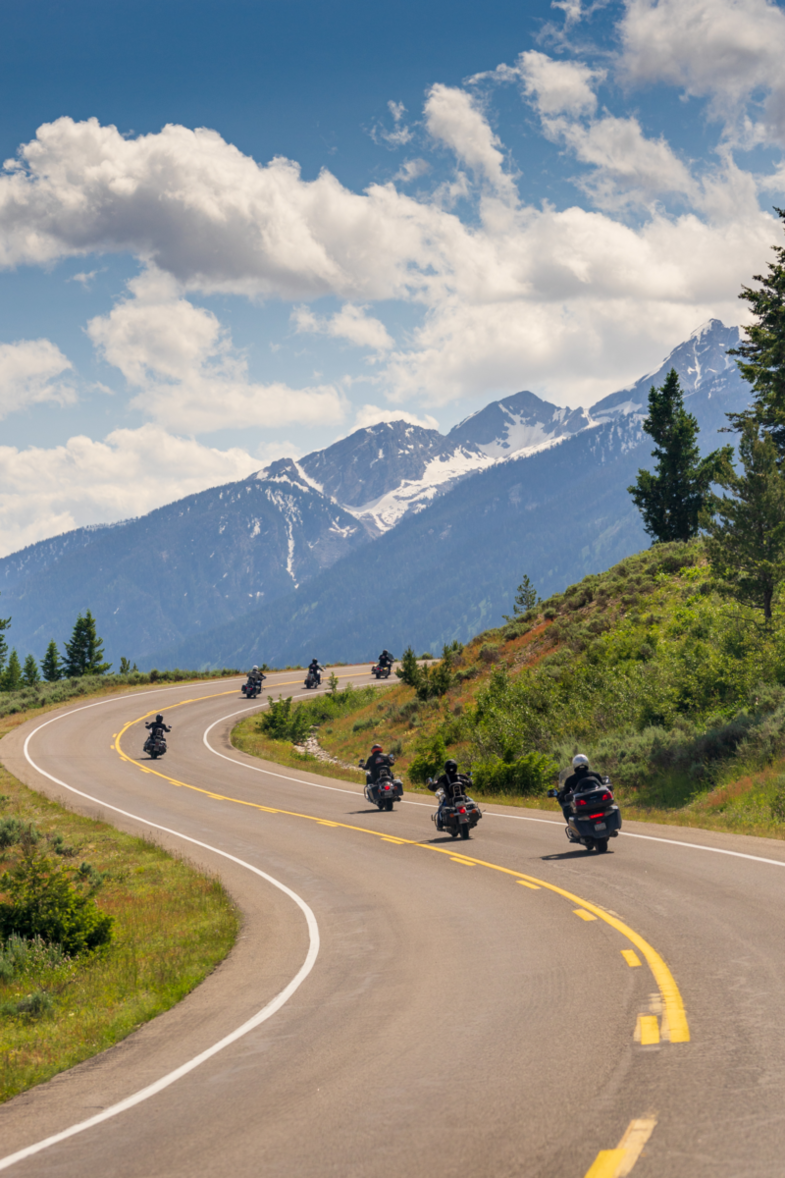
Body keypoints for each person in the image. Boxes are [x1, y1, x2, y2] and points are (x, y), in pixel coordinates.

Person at [556, 754, 604, 821]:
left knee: (567, 809)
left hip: (582, 805)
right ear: (587, 763)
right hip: (598, 801)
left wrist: (561, 796)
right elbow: (603, 786)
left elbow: (565, 793)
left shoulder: (570, 779)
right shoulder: (595, 775)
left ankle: (571, 825)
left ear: (574, 765)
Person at [428, 759, 467, 831]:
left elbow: (434, 787)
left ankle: (440, 826)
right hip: (464, 798)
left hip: (450, 800)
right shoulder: (461, 776)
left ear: (446, 768)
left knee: (441, 807)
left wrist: (430, 785)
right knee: (471, 801)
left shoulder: (443, 778)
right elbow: (469, 782)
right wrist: (468, 781)